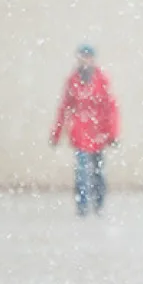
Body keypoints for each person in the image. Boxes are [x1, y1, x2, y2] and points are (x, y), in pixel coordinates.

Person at [50, 44, 120, 217]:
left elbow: (110, 109)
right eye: (82, 56)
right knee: (81, 172)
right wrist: (57, 133)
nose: (85, 60)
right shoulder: (72, 81)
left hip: (98, 133)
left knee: (98, 172)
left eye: (88, 56)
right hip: (80, 132)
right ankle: (82, 206)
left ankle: (98, 204)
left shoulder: (102, 80)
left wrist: (112, 133)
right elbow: (65, 108)